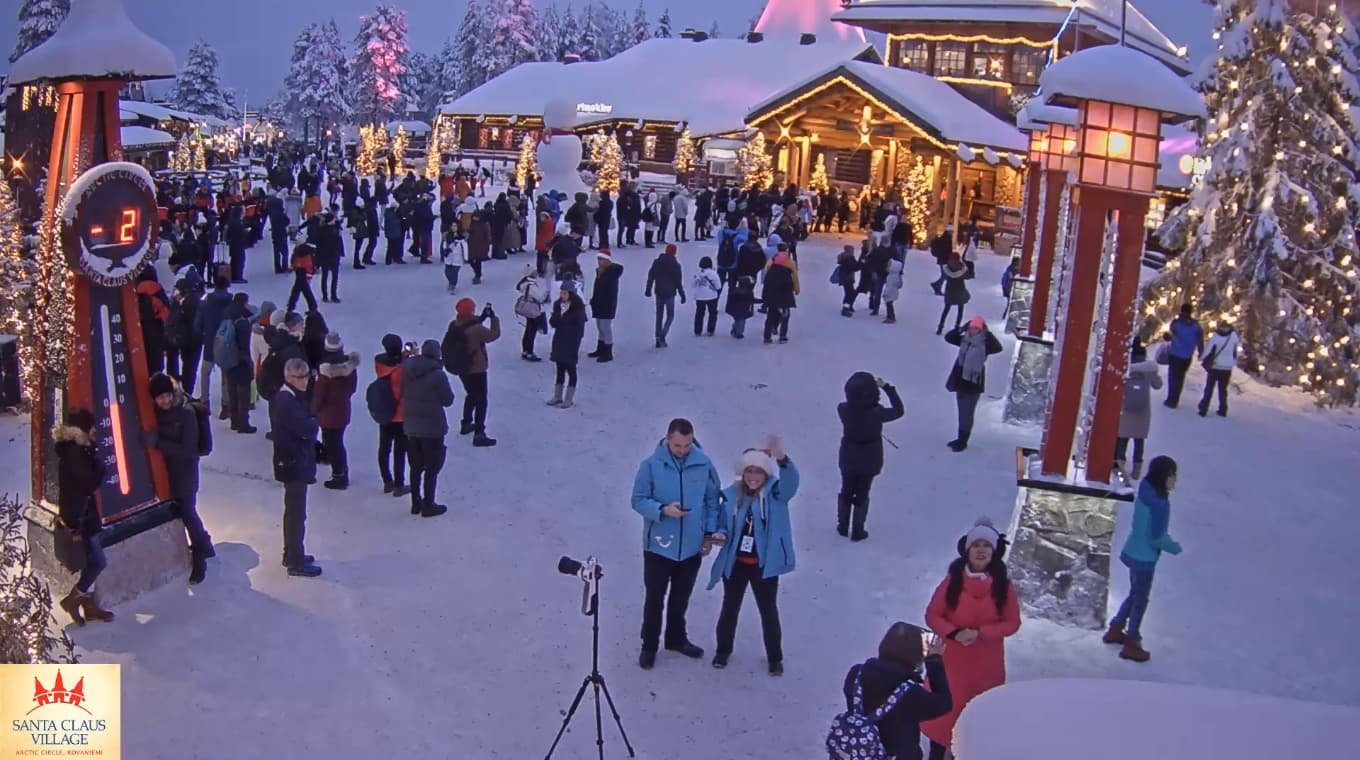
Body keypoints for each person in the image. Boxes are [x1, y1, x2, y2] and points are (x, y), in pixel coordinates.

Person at [922, 518, 1021, 760]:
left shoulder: (1003, 587)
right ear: (967, 550)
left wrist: (981, 633)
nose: (981, 550)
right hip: (951, 663)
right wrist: (954, 632)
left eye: (986, 546)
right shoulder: (952, 582)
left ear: (994, 551)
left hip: (985, 667)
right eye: (976, 545)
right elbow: (932, 614)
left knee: (972, 718)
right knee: (943, 714)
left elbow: (1012, 623)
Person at [631, 418, 721, 670]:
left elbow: (712, 500)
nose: (682, 450)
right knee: (655, 598)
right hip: (659, 547)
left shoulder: (703, 464)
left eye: (687, 445)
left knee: (681, 598)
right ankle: (649, 646)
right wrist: (662, 510)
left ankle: (676, 639)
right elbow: (637, 500)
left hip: (691, 547)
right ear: (668, 439)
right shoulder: (650, 465)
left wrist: (709, 533)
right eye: (678, 445)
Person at [707, 441, 799, 675]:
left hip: (764, 566)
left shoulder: (776, 494)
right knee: (729, 608)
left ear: (766, 473)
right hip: (736, 564)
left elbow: (791, 482)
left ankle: (774, 658)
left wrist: (783, 460)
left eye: (758, 471)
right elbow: (722, 523)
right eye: (749, 470)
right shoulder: (730, 496)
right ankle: (723, 651)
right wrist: (720, 534)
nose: (753, 476)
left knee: (768, 612)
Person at [1103, 456, 1181, 663]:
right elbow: (1157, 536)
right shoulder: (1161, 504)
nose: (1175, 480)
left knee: (1135, 593)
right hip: (1145, 557)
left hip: (1133, 550)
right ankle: (1132, 641)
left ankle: (1116, 627)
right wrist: (1173, 547)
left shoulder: (1145, 491)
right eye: (1173, 475)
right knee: (1141, 599)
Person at [840, 622, 952, 760]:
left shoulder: (856, 674)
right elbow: (944, 703)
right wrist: (934, 660)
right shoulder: (910, 695)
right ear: (914, 655)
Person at [146, 372, 214, 583]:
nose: (164, 400)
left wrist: (158, 443)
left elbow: (188, 450)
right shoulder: (154, 413)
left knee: (187, 512)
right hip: (167, 472)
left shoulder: (185, 413)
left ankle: (199, 558)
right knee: (184, 512)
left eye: (167, 395)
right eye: (160, 397)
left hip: (185, 471)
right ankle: (206, 545)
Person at [54, 409, 116, 625]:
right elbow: (88, 484)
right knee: (98, 562)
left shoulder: (76, 450)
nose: (95, 430)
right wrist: (99, 465)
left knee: (92, 561)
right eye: (92, 427)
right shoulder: (76, 454)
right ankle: (74, 598)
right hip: (81, 519)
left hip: (81, 515)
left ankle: (88, 605)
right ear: (84, 429)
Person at [270, 358, 322, 577]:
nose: (305, 381)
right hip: (293, 461)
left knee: (294, 512)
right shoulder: (286, 401)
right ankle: (295, 560)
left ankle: (291, 552)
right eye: (300, 378)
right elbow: (307, 428)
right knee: (296, 514)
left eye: (306, 376)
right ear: (288, 377)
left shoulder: (291, 397)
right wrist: (313, 422)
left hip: (295, 459)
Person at [837, 372, 905, 541]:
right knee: (862, 492)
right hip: (870, 458)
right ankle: (858, 529)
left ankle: (843, 525)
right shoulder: (877, 413)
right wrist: (888, 388)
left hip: (848, 456)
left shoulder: (843, 410)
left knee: (846, 489)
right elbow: (899, 411)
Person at [401, 339, 454, 517]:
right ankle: (429, 504)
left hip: (411, 425)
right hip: (433, 427)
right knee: (432, 468)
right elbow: (448, 400)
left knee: (415, 467)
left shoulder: (407, 370)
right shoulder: (438, 375)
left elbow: (402, 392)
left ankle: (415, 502)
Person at [444, 298, 500, 447]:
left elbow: (471, 325)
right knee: (481, 400)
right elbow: (493, 334)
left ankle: (466, 423)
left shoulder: (454, 325)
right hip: (477, 368)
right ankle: (479, 433)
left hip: (462, 367)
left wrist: (482, 317)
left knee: (471, 394)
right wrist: (494, 318)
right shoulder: (476, 330)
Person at [943, 317, 1003, 452]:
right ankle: (960, 438)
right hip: (960, 380)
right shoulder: (965, 340)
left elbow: (998, 348)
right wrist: (960, 329)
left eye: (976, 328)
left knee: (967, 412)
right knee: (961, 411)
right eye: (971, 327)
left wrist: (988, 334)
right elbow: (949, 337)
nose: (973, 330)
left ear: (982, 330)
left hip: (973, 382)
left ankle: (963, 441)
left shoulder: (985, 343)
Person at [312, 334, 359, 490]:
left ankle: (339, 475)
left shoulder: (325, 373)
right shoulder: (350, 369)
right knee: (337, 441)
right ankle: (340, 470)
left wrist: (313, 409)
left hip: (327, 415)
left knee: (333, 444)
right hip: (343, 410)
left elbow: (319, 396)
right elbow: (352, 389)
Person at [373, 335, 412, 498]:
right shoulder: (404, 368)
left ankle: (387, 481)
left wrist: (401, 356)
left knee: (384, 448)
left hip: (385, 412)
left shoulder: (379, 363)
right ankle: (399, 484)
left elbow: (392, 362)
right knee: (400, 451)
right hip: (401, 414)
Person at [1117, 343, 1162, 479]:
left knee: (1122, 440)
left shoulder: (1125, 368)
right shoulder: (1149, 369)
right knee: (1139, 441)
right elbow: (1158, 385)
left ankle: (1119, 470)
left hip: (1126, 409)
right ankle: (1136, 472)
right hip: (1142, 411)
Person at [192, 275, 233, 416]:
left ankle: (204, 402)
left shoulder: (205, 304)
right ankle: (226, 405)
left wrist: (204, 335)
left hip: (210, 341)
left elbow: (197, 325)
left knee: (205, 373)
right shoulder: (231, 303)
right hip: (227, 343)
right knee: (226, 375)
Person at [547, 282, 588, 409]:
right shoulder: (558, 305)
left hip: (571, 340)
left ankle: (569, 398)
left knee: (571, 368)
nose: (562, 295)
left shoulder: (578, 307)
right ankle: (558, 395)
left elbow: (579, 325)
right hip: (559, 339)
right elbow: (553, 321)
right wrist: (559, 317)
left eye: (565, 293)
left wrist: (577, 340)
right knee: (559, 368)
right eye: (561, 292)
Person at [220, 293, 258, 434]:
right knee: (244, 393)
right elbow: (244, 344)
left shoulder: (227, 315)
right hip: (241, 360)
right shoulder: (242, 321)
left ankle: (234, 420)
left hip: (228, 359)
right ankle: (243, 423)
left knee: (232, 389)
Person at [1162, 304, 1204, 409]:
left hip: (1175, 354)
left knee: (1172, 377)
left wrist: (1167, 337)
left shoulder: (1176, 323)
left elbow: (1169, 336)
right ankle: (1175, 399)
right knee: (1180, 377)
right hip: (1187, 356)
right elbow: (1200, 340)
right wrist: (1200, 352)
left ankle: (1170, 399)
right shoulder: (1196, 326)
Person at [646, 243, 687, 348]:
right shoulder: (676, 265)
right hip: (670, 293)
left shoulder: (657, 262)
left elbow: (651, 276)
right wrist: (682, 295)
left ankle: (657, 338)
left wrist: (648, 289)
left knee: (659, 316)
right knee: (670, 316)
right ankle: (663, 334)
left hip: (658, 291)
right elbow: (678, 282)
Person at [1198, 322, 1239, 418]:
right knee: (1223, 389)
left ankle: (1203, 409)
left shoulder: (1216, 336)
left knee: (1209, 388)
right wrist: (1233, 363)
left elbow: (1208, 349)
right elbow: (1235, 352)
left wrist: (1201, 358)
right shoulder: (1233, 336)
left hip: (1215, 366)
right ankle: (1223, 409)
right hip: (1227, 367)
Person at [588, 251, 623, 363]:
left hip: (607, 304)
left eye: (601, 259)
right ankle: (600, 348)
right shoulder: (601, 272)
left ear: (607, 260)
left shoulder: (611, 273)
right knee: (600, 327)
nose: (599, 262)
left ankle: (608, 352)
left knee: (605, 327)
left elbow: (606, 290)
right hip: (599, 303)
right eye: (598, 259)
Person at [761, 252, 799, 344]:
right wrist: (797, 290)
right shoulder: (788, 271)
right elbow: (795, 280)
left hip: (772, 298)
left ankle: (767, 337)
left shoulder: (771, 269)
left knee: (770, 316)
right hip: (785, 298)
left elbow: (766, 284)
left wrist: (765, 298)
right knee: (785, 316)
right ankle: (782, 336)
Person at [515, 264, 550, 362]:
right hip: (533, 310)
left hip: (527, 310)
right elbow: (539, 298)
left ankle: (525, 351)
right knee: (531, 332)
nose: (536, 273)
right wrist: (546, 295)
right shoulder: (532, 286)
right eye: (534, 272)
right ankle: (529, 352)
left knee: (528, 330)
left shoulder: (524, 284)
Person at [937, 256, 970, 335]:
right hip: (960, 289)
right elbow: (967, 276)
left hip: (950, 290)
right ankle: (957, 326)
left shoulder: (947, 268)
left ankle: (940, 327)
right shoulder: (962, 268)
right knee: (960, 309)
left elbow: (944, 276)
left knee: (946, 309)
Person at [691, 256, 722, 337]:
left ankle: (697, 330)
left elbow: (693, 285)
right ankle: (710, 330)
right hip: (711, 296)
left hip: (699, 296)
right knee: (712, 313)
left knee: (699, 313)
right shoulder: (713, 273)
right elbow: (718, 286)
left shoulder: (697, 273)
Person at [287, 241, 318, 314]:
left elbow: (293, 262)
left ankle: (291, 306)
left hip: (300, 272)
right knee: (304, 290)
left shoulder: (297, 252)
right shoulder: (306, 253)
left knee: (298, 290)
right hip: (304, 273)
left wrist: (291, 269)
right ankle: (313, 307)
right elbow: (309, 265)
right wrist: (309, 275)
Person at [725, 275, 756, 339]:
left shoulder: (734, 290)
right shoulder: (748, 292)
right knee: (741, 321)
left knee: (737, 320)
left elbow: (730, 300)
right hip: (744, 310)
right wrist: (762, 301)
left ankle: (734, 330)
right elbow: (752, 300)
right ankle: (739, 333)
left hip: (734, 310)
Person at [882, 256, 904, 324]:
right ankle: (890, 316)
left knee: (889, 306)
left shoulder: (893, 277)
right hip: (892, 293)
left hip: (890, 294)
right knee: (889, 305)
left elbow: (890, 286)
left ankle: (891, 317)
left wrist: (885, 293)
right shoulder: (893, 275)